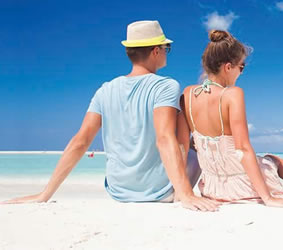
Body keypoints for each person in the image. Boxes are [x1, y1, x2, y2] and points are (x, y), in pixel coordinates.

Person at [3, 21, 218, 212]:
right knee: (193, 142)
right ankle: (190, 191)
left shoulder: (105, 89)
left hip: (119, 192)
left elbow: (81, 141)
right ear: (155, 51)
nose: (166, 52)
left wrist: (45, 193)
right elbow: (164, 138)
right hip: (158, 193)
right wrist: (186, 195)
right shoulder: (166, 86)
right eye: (166, 48)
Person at [178, 29, 283, 208]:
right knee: (273, 160)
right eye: (242, 66)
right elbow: (243, 149)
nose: (241, 72)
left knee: (262, 159)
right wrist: (268, 198)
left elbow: (183, 146)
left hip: (211, 188)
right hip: (243, 186)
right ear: (228, 67)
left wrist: (184, 193)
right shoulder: (232, 95)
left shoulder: (188, 94)